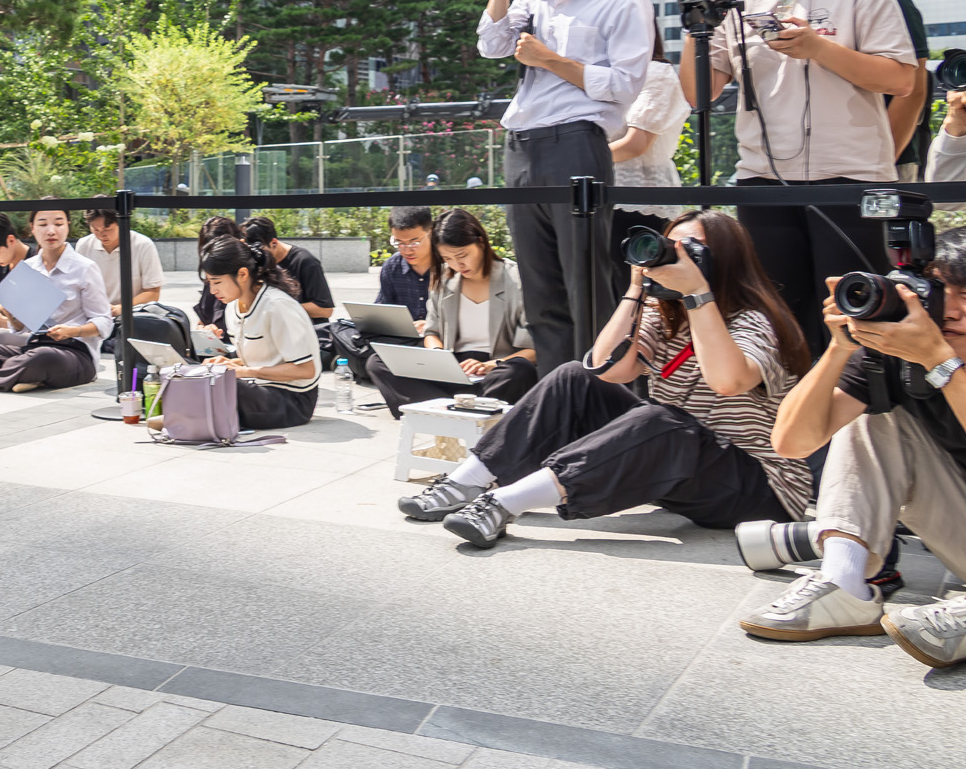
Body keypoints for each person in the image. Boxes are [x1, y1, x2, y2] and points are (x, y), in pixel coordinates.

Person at [401, 212, 812, 550]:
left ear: (725, 260)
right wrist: (636, 290)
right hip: (680, 467)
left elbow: (727, 381)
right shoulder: (665, 315)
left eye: (692, 252)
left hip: (759, 489)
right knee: (573, 376)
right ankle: (465, 482)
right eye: (671, 248)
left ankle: (503, 503)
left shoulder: (756, 321)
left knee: (663, 420)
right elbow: (606, 368)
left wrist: (698, 295)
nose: (676, 259)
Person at [733, 224, 966, 668]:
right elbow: (792, 443)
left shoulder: (931, 353)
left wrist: (940, 363)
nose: (948, 310)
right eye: (939, 290)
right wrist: (839, 349)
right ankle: (844, 583)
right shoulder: (905, 354)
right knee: (881, 414)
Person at [698, 0, 919, 354]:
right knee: (777, 317)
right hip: (762, 180)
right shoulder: (739, 3)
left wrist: (817, 47)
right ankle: (787, 422)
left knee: (854, 317)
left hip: (849, 174)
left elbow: (901, 79)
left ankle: (856, 423)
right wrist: (697, 28)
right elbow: (699, 95)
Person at [481, 0, 655, 371]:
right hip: (521, 148)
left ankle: (602, 401)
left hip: (577, 145)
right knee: (540, 294)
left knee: (588, 287)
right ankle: (557, 404)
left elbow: (623, 85)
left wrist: (551, 61)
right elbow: (490, 43)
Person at [369, 209, 538, 420]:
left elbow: (534, 349)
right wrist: (439, 355)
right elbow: (431, 331)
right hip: (453, 366)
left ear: (481, 242)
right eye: (448, 258)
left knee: (519, 371)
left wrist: (490, 365)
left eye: (462, 255)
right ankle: (467, 410)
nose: (457, 265)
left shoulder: (515, 279)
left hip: (496, 368)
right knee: (378, 362)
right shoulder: (444, 278)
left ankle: (437, 409)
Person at [0, 208, 112, 392]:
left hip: (75, 354)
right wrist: (9, 311)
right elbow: (20, 328)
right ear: (32, 228)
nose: (51, 231)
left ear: (67, 227)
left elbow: (104, 322)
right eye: (42, 224)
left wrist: (72, 331)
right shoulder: (28, 268)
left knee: (42, 358)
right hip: (33, 346)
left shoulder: (85, 268)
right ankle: (29, 376)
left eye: (58, 224)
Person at [828, 0, 931, 178]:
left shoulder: (890, 2)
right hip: (825, 165)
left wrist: (881, 161)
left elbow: (914, 92)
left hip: (886, 164)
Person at [195, 236, 320, 428]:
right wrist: (229, 363)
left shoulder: (277, 306)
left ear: (243, 274)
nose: (212, 290)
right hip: (259, 387)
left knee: (223, 386)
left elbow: (305, 370)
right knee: (193, 371)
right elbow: (261, 359)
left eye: (217, 282)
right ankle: (188, 416)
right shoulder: (232, 307)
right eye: (209, 283)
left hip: (292, 400)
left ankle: (187, 417)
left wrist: (242, 371)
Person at [608, 27, 690, 290]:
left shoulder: (656, 72)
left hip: (639, 199)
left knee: (637, 296)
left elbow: (635, 145)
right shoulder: (602, 75)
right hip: (605, 196)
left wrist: (577, 160)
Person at [333, 206, 432, 387]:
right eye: (399, 242)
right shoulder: (393, 266)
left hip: (437, 341)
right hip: (401, 340)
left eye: (414, 242)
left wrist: (432, 325)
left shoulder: (448, 265)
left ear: (430, 232)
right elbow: (382, 309)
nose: (407, 249)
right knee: (338, 329)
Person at [240, 215, 335, 319]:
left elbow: (325, 310)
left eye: (261, 251)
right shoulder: (256, 261)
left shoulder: (305, 261)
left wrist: (279, 308)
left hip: (306, 330)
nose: (259, 256)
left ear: (274, 243)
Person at [76, 204, 163, 311]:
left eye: (107, 229)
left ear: (120, 223)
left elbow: (152, 293)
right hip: (95, 314)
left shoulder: (143, 245)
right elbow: (77, 288)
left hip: (133, 313)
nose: (101, 235)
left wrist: (122, 308)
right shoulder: (84, 245)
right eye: (95, 229)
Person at [193, 215, 244, 339]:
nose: (213, 290)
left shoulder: (262, 296)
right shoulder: (211, 283)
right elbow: (203, 321)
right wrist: (204, 330)